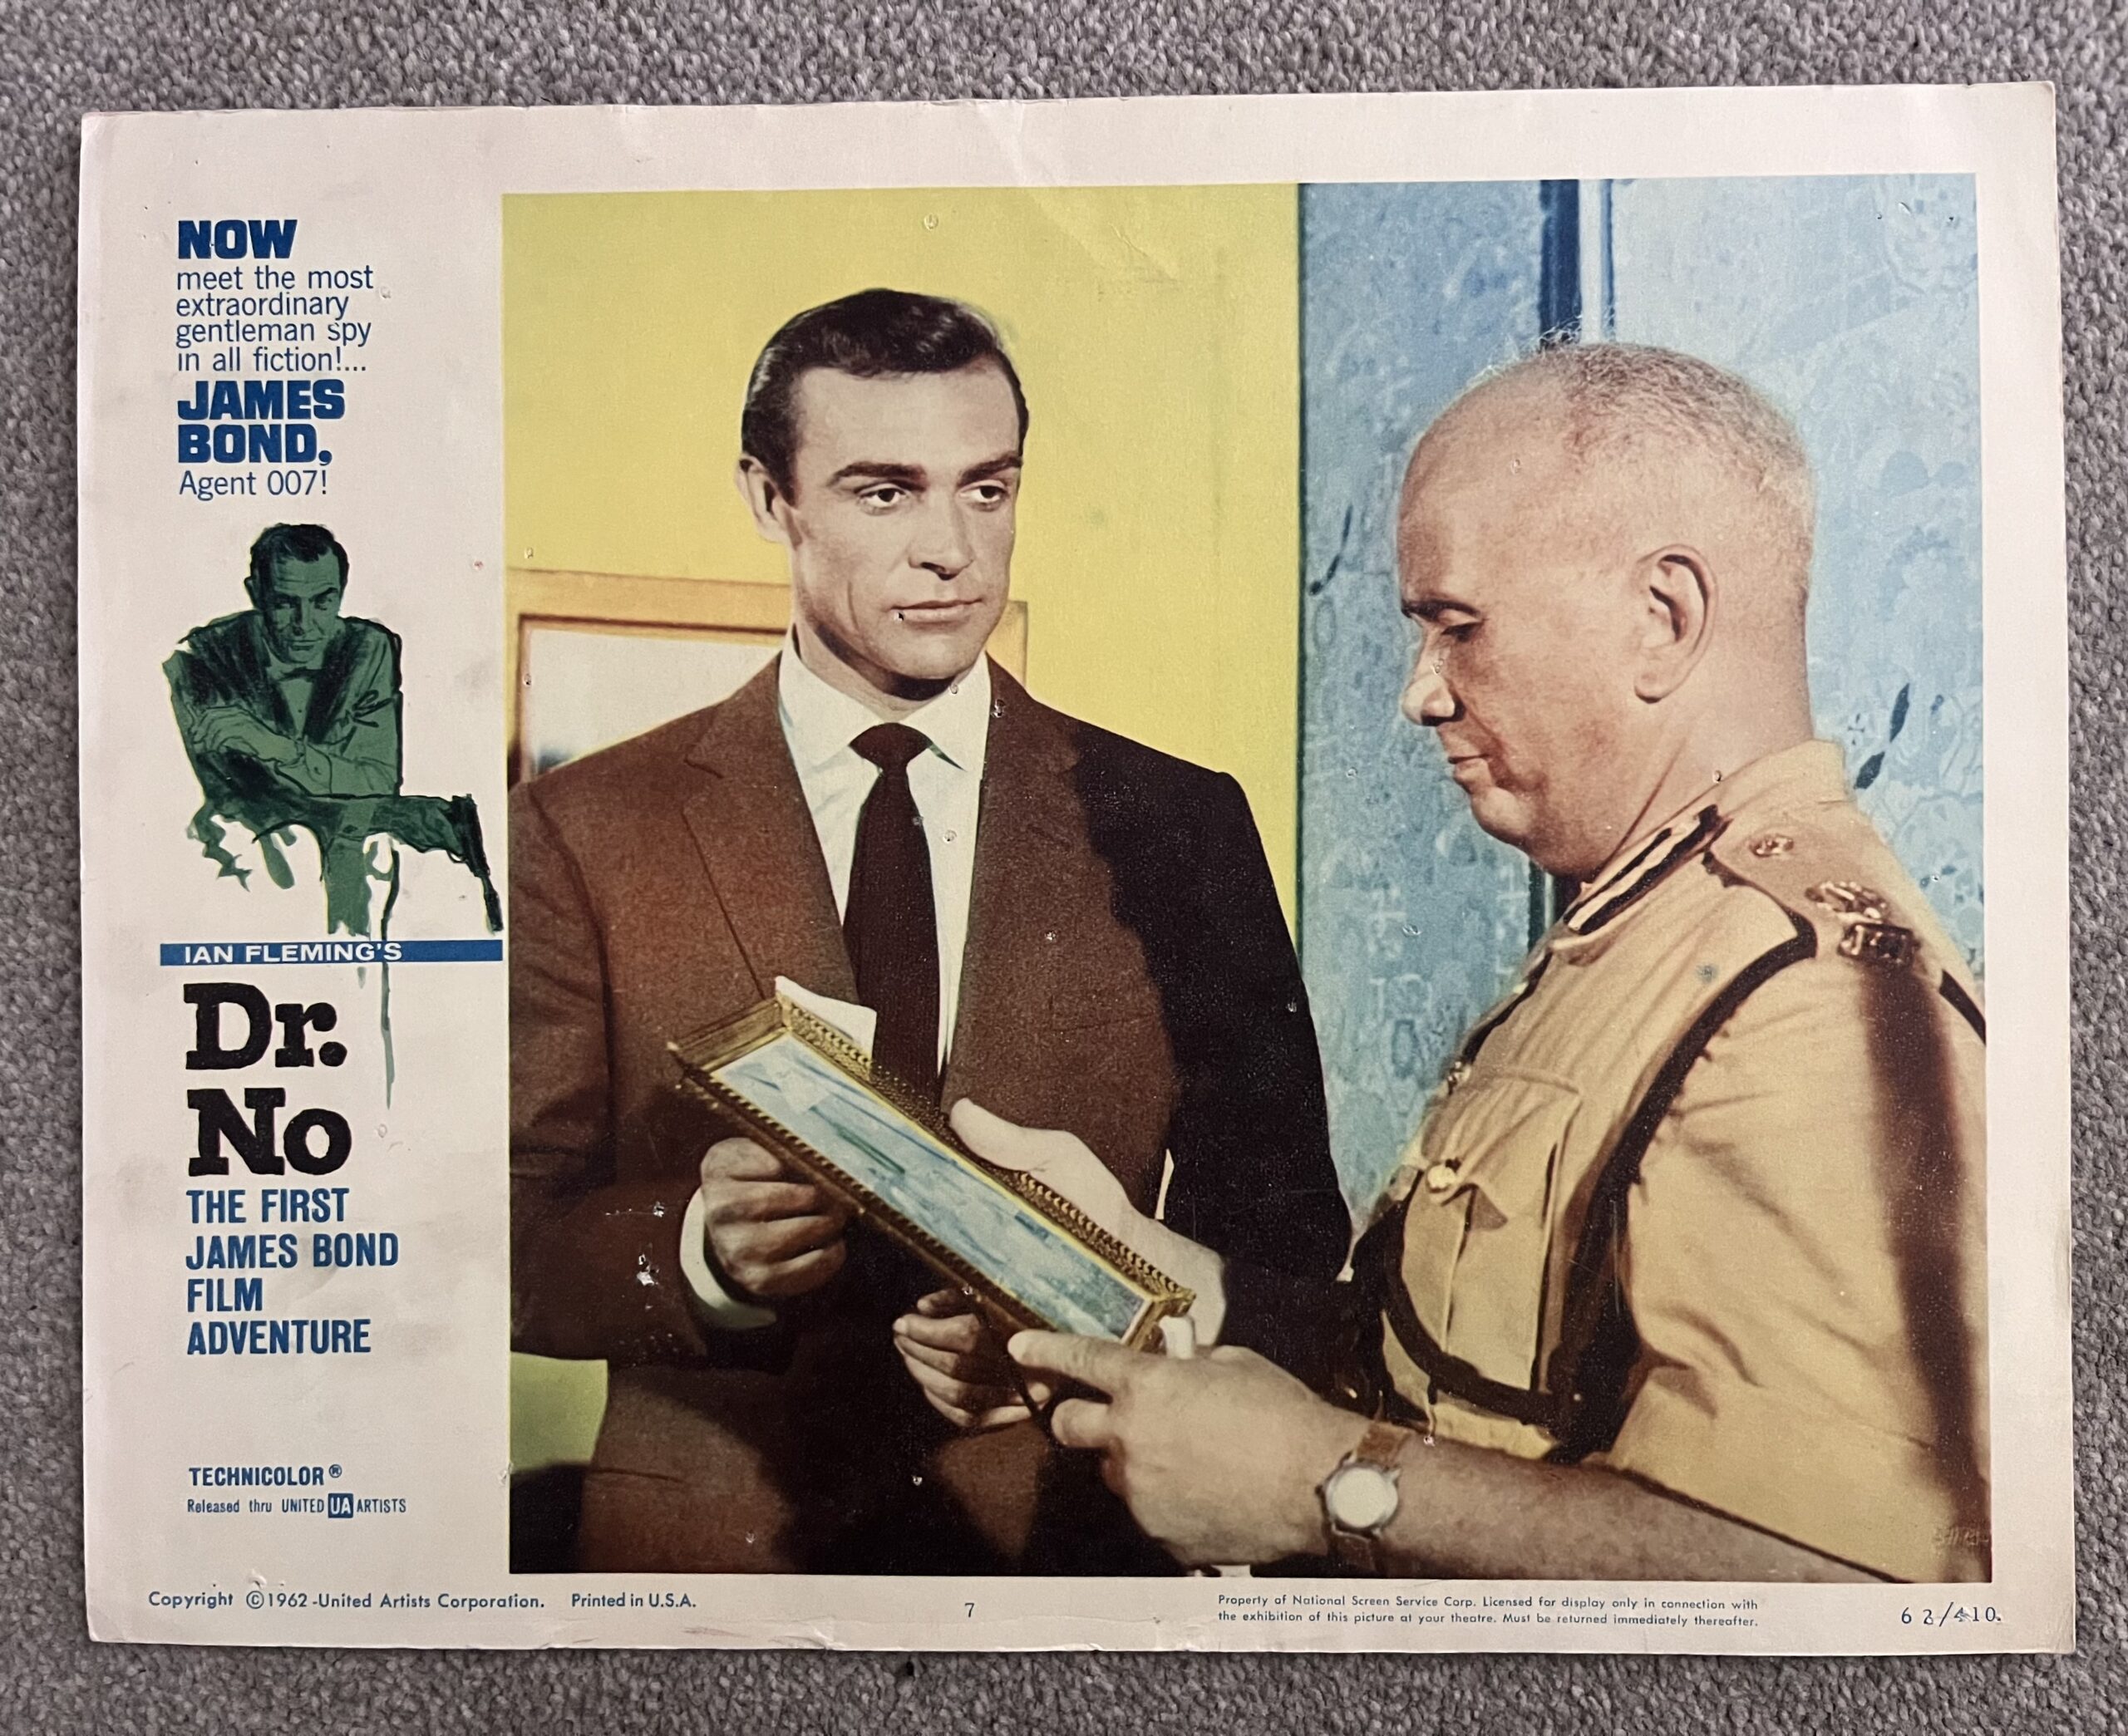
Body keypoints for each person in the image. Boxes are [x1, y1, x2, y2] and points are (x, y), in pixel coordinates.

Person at [981, 342, 1988, 1584]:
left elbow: (1829, 1587)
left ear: (1663, 620)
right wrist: (1135, 1264)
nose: (1420, 694)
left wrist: (1323, 1486)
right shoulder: (1645, 926)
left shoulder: (1806, 1000)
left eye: (1457, 627)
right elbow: (1444, 1374)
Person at [508, 288, 1347, 1573]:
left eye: (987, 489)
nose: (952, 549)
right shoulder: (583, 826)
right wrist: (697, 1253)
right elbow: (497, 1234)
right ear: (770, 498)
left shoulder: (1178, 821)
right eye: (885, 493)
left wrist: (1097, 1327)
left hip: (1069, 1552)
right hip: (716, 1562)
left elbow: (1286, 1238)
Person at [165, 522, 497, 935]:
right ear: (256, 593)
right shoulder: (203, 658)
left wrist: (272, 747)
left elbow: (378, 780)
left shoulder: (368, 648)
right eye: (285, 603)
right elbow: (235, 797)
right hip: (268, 853)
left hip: (346, 842)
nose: (305, 624)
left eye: (324, 602)